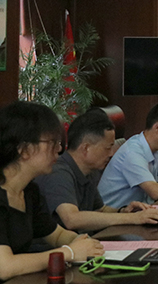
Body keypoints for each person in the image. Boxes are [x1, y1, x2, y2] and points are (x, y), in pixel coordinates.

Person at [0, 101, 104, 281]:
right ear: (24, 149)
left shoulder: (29, 192)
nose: (59, 150)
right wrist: (69, 252)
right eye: (52, 143)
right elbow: (4, 266)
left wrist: (81, 242)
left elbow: (57, 235)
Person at [35, 110, 158, 232]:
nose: (111, 154)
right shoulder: (58, 172)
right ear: (86, 148)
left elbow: (100, 209)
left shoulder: (90, 170)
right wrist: (133, 218)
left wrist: (124, 211)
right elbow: (72, 219)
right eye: (107, 148)